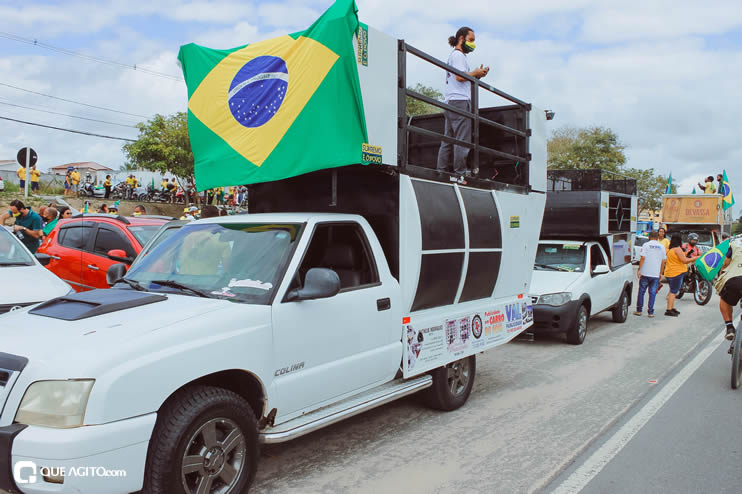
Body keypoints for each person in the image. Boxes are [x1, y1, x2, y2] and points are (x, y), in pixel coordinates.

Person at [436, 26, 489, 177]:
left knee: (448, 140)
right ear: (461, 38)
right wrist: (475, 73)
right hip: (459, 101)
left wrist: (476, 75)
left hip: (450, 101)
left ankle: (441, 171)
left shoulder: (455, 56)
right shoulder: (458, 56)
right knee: (462, 140)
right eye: (471, 40)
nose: (473, 44)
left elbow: (461, 77)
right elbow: (459, 77)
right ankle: (459, 174)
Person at [663, 233, 700, 316]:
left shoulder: (670, 249)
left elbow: (678, 258)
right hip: (676, 273)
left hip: (670, 272)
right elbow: (684, 261)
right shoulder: (677, 249)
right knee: (673, 292)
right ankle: (669, 310)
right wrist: (695, 258)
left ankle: (671, 308)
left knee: (672, 290)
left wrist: (686, 254)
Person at [634, 231, 667, 317]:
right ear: (657, 237)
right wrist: (660, 272)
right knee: (652, 293)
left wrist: (639, 270)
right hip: (655, 274)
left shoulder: (646, 245)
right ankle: (650, 312)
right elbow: (663, 261)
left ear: (649, 237)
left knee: (641, 291)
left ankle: (639, 310)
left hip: (645, 272)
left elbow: (642, 257)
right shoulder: (662, 247)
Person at [716, 241, 742, 344]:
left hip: (735, 280)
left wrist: (722, 272)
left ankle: (729, 326)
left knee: (724, 299)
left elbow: (725, 263)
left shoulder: (735, 245)